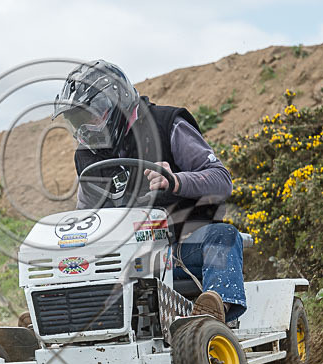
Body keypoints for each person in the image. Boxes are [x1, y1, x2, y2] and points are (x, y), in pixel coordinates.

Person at [52, 60, 246, 323]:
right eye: (76, 121)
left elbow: (222, 180)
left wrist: (176, 181)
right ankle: (57, 318)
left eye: (89, 117)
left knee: (223, 236)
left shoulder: (168, 125)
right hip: (127, 259)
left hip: (180, 251)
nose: (84, 129)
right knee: (76, 253)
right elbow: (87, 215)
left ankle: (214, 312)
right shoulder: (87, 156)